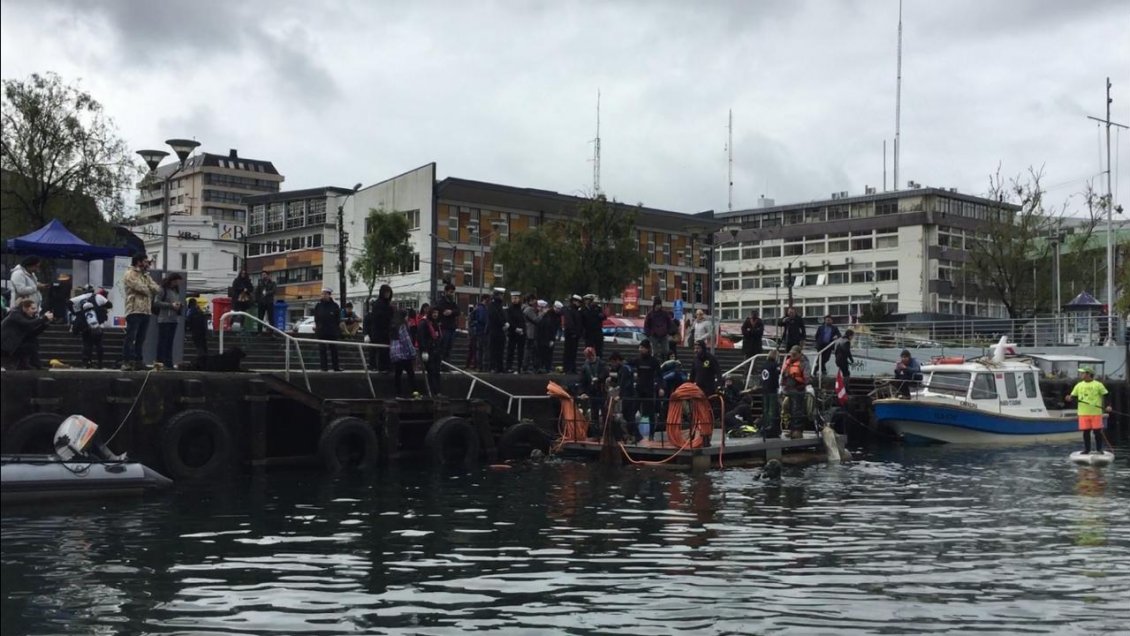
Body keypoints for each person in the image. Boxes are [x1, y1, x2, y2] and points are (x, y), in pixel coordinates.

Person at [120, 253, 161, 371]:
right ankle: (126, 361)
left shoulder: (146, 276)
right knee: (130, 337)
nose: (147, 263)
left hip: (146, 311)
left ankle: (138, 361)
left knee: (141, 338)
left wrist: (150, 287)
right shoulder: (130, 274)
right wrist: (150, 289)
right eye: (145, 261)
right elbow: (142, 288)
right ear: (138, 262)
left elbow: (157, 289)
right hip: (134, 309)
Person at [1065, 367, 1112, 454]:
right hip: (1083, 413)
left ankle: (1099, 449)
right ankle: (1087, 449)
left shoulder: (1098, 384)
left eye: (1083, 373)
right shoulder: (1079, 385)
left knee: (1097, 432)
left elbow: (1107, 395)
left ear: (1088, 374)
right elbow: (1073, 396)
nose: (1081, 375)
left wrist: (1108, 406)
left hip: (1096, 413)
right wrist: (1069, 398)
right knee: (1086, 432)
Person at [1, 299, 53, 369]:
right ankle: (29, 365)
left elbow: (32, 333)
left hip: (14, 345)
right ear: (25, 308)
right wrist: (43, 318)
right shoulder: (15, 314)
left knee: (33, 341)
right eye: (32, 308)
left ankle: (33, 365)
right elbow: (27, 323)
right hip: (5, 346)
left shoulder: (27, 316)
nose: (35, 311)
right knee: (30, 346)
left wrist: (44, 325)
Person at [69, 286, 111, 368]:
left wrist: (74, 312)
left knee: (87, 345)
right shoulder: (98, 297)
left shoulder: (80, 299)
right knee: (99, 344)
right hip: (98, 326)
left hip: (86, 327)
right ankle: (100, 363)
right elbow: (109, 304)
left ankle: (86, 363)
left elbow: (69, 303)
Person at [630, 340, 663, 440]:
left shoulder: (654, 361)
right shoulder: (637, 360)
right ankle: (636, 435)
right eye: (639, 347)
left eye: (642, 348)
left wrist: (661, 387)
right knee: (632, 412)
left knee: (650, 414)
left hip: (649, 390)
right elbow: (627, 364)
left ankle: (651, 435)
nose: (640, 349)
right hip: (639, 389)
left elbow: (660, 376)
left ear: (647, 349)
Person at [153, 273, 184, 368]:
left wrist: (179, 305)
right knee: (163, 341)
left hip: (174, 319)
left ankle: (168, 362)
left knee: (170, 342)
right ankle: (160, 361)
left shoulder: (175, 290)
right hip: (164, 319)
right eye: (177, 281)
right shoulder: (162, 289)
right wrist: (171, 305)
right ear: (172, 280)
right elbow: (156, 302)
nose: (178, 283)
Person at [577, 347, 609, 435]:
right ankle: (596, 433)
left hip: (602, 391)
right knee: (594, 414)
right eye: (588, 356)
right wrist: (582, 392)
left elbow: (606, 373)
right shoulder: (584, 367)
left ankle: (606, 432)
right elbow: (581, 381)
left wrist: (598, 378)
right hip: (592, 392)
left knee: (605, 412)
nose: (590, 357)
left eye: (591, 355)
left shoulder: (602, 364)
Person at [608, 352, 638, 442]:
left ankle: (634, 435)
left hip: (628, 395)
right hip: (628, 395)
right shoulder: (625, 368)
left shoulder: (624, 369)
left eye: (613, 362)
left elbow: (624, 383)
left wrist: (620, 395)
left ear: (617, 361)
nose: (612, 365)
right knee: (627, 415)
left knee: (628, 416)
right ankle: (633, 435)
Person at [781, 345, 809, 438]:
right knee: (790, 410)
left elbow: (807, 377)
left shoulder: (804, 362)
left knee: (798, 411)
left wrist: (802, 384)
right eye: (791, 353)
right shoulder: (788, 362)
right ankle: (792, 429)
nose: (792, 355)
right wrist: (782, 386)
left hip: (798, 390)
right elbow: (783, 374)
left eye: (794, 354)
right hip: (789, 390)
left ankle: (798, 430)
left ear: (799, 354)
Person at [388, 310, 417, 396]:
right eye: (406, 316)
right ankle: (414, 392)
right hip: (403, 354)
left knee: (398, 374)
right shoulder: (403, 326)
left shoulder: (393, 326)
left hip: (395, 354)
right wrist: (413, 353)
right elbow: (406, 341)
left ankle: (398, 393)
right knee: (411, 373)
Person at [313, 288, 342, 372]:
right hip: (321, 331)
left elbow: (338, 318)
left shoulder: (334, 305)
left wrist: (336, 328)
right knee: (322, 350)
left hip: (332, 331)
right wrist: (317, 326)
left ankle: (336, 367)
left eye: (325, 294)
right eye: (322, 294)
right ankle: (324, 367)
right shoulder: (318, 305)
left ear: (329, 295)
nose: (323, 295)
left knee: (334, 350)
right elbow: (316, 317)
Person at [417, 304, 443, 395]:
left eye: (437, 313)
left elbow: (438, 337)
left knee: (437, 372)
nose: (435, 314)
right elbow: (421, 337)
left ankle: (437, 391)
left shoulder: (436, 324)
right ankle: (432, 391)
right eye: (434, 312)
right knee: (431, 371)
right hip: (429, 351)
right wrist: (424, 350)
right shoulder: (424, 323)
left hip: (436, 351)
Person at [367, 284, 393, 371]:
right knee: (377, 349)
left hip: (386, 330)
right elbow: (377, 318)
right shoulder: (378, 304)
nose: (387, 294)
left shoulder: (388, 304)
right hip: (378, 330)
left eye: (388, 292)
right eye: (386, 292)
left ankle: (385, 366)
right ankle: (376, 366)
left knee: (384, 350)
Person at [434, 282, 459, 363]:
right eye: (450, 292)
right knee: (443, 346)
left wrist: (451, 312)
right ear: (446, 291)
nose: (452, 294)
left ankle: (447, 363)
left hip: (451, 327)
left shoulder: (453, 302)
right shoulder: (441, 302)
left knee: (449, 347)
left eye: (453, 292)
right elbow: (439, 310)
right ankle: (442, 363)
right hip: (444, 327)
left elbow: (458, 311)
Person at [760, 349, 781, 439]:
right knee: (772, 409)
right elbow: (777, 374)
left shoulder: (764, 365)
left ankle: (765, 424)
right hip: (772, 389)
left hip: (764, 389)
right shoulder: (774, 365)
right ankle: (771, 426)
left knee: (765, 408)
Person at [643, 297, 673, 361]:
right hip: (654, 335)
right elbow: (646, 324)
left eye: (659, 305)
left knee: (666, 350)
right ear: (654, 305)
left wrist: (668, 332)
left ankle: (665, 361)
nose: (658, 306)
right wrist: (648, 334)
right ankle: (654, 362)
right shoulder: (650, 314)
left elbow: (669, 323)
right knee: (655, 351)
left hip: (663, 335)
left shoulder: (664, 313)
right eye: (657, 305)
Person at [487, 288, 507, 373]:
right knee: (494, 350)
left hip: (501, 331)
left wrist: (506, 323)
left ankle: (500, 367)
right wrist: (503, 324)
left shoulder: (500, 306)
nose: (502, 296)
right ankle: (493, 367)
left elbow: (503, 316)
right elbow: (495, 317)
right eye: (501, 295)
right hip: (494, 330)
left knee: (500, 350)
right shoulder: (492, 305)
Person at [562, 295, 583, 374]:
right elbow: (570, 323)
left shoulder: (576, 311)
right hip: (570, 335)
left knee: (573, 353)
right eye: (578, 302)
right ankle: (568, 368)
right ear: (574, 301)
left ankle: (572, 368)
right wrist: (573, 332)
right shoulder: (569, 310)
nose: (579, 303)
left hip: (575, 335)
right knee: (568, 352)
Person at [505, 291, 525, 373]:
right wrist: (515, 328)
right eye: (513, 298)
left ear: (519, 299)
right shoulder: (509, 309)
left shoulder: (521, 308)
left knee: (521, 352)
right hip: (513, 333)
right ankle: (508, 367)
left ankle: (520, 367)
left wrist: (523, 330)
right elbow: (509, 320)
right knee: (511, 351)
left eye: (516, 298)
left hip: (521, 333)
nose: (514, 300)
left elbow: (523, 321)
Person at [468, 295, 488, 371]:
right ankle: (480, 366)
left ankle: (477, 366)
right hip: (481, 331)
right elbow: (482, 319)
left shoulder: (477, 308)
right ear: (485, 300)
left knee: (478, 349)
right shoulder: (482, 309)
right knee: (481, 349)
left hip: (477, 331)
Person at [581, 294, 604, 359]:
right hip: (588, 333)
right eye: (585, 300)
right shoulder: (583, 309)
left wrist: (601, 315)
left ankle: (598, 363)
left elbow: (603, 316)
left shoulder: (597, 308)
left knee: (599, 350)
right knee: (588, 350)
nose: (586, 301)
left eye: (588, 300)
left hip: (597, 331)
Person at [522, 295, 540, 372]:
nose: (535, 302)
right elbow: (536, 320)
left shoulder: (526, 309)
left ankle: (532, 366)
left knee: (532, 351)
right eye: (534, 301)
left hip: (530, 332)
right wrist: (542, 313)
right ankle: (526, 367)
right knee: (530, 351)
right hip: (530, 333)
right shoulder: (529, 310)